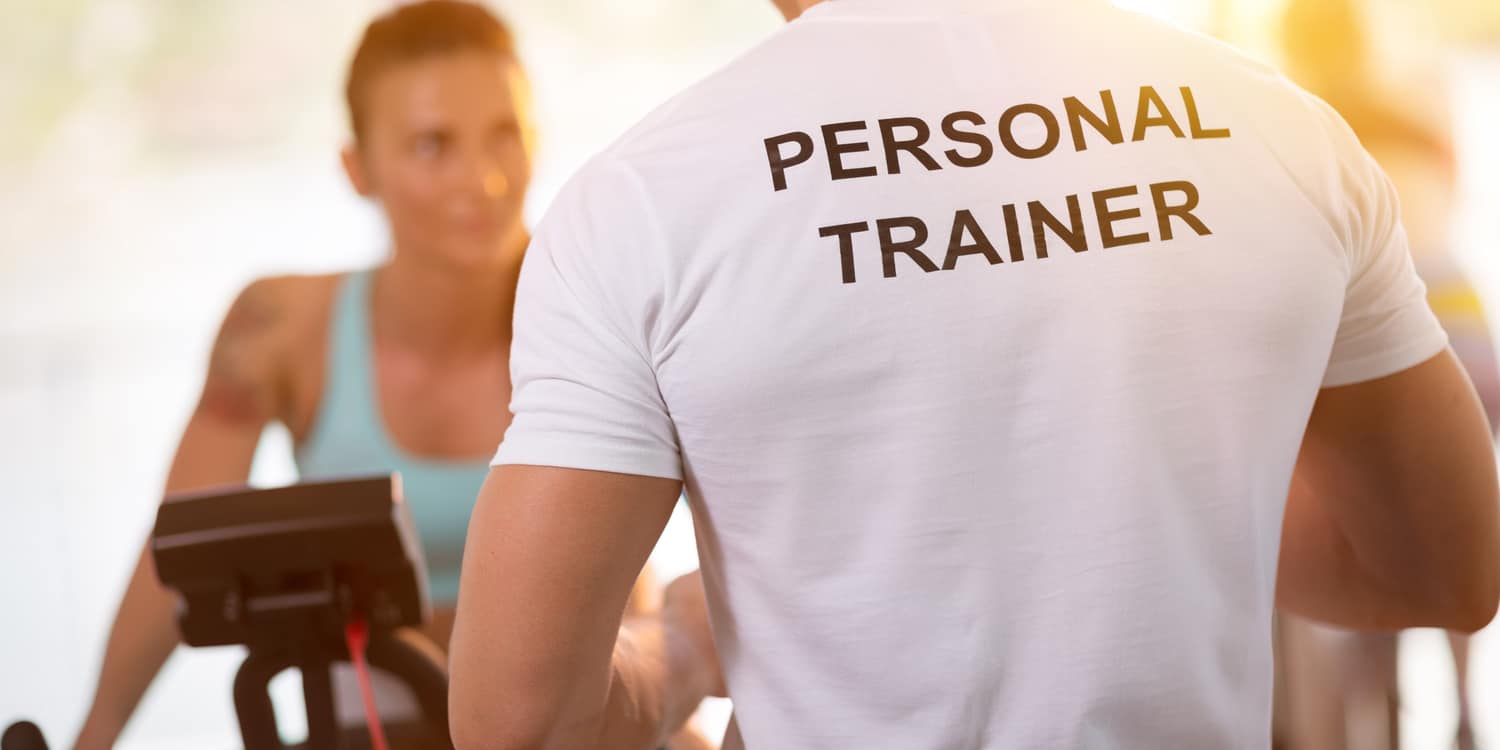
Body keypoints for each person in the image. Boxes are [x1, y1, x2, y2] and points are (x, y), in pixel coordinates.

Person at [449, 0, 1500, 748]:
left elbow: (517, 720)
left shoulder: (643, 200)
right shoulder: (1285, 134)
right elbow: (1448, 571)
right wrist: (1149, 519)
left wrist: (676, 653)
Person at [72, 3, 710, 748]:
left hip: (588, 721)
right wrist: (96, 731)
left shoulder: (604, 299)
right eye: (433, 146)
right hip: (368, 723)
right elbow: (174, 556)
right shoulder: (279, 325)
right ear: (358, 169)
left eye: (504, 133)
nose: (483, 179)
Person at [1274, 1, 1500, 747]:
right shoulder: (1417, 89)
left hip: (1364, 328)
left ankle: (1382, 717)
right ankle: (1465, 704)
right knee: (1445, 528)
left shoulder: (1289, 112)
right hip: (1457, 314)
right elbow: (1456, 183)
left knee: (1364, 540)